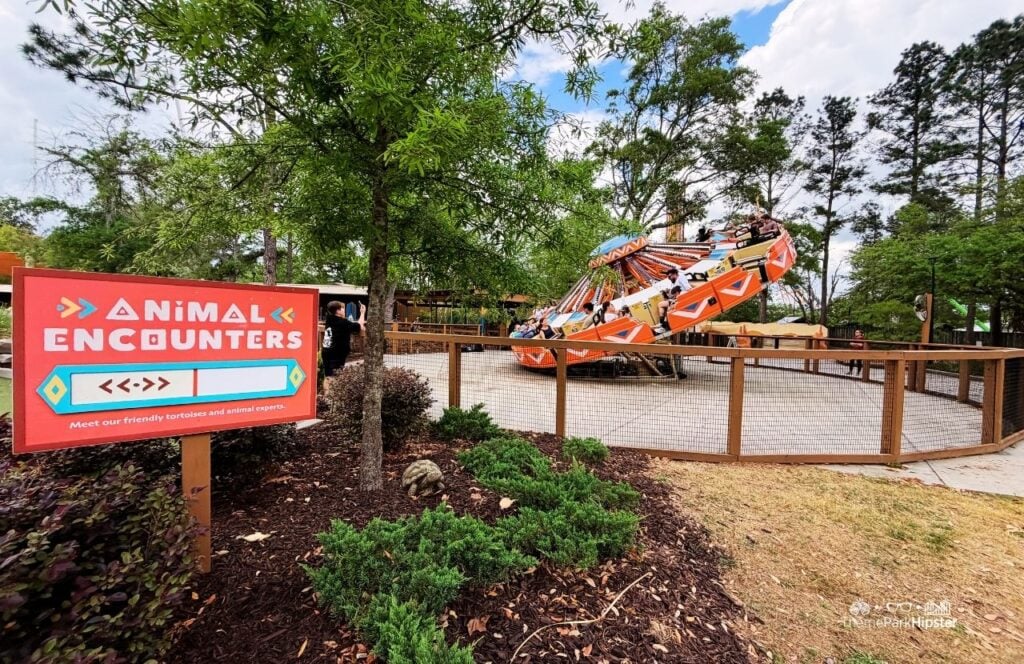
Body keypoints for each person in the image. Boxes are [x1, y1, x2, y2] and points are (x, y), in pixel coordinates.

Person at [322, 300, 365, 385]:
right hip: (336, 353)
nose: (344, 310)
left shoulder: (329, 320)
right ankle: (333, 392)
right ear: (338, 311)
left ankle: (327, 392)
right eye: (342, 308)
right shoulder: (342, 322)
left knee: (328, 375)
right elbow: (359, 326)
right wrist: (362, 313)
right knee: (335, 376)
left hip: (326, 351)